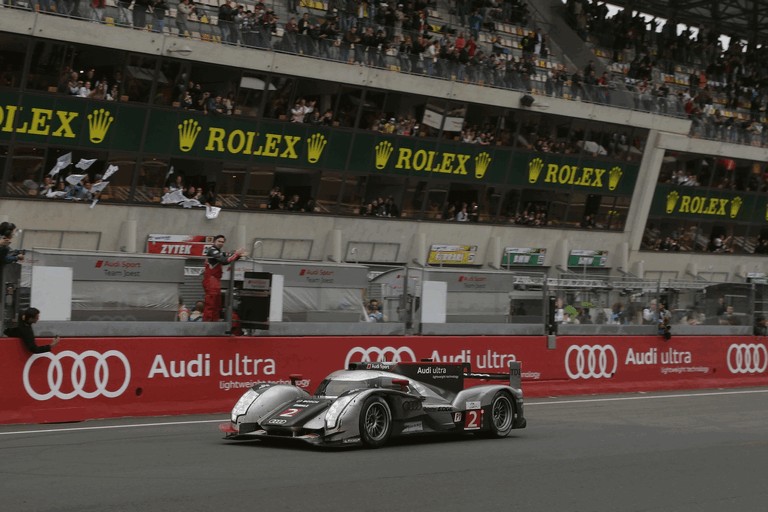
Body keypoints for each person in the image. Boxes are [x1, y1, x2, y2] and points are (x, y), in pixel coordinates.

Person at [202, 235, 246, 321]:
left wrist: (238, 255)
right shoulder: (212, 250)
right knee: (211, 305)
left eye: (222, 242)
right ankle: (206, 326)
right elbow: (224, 260)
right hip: (211, 280)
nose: (221, 243)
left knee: (217, 305)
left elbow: (227, 258)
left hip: (216, 281)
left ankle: (214, 326)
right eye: (219, 241)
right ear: (214, 241)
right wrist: (236, 254)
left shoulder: (219, 252)